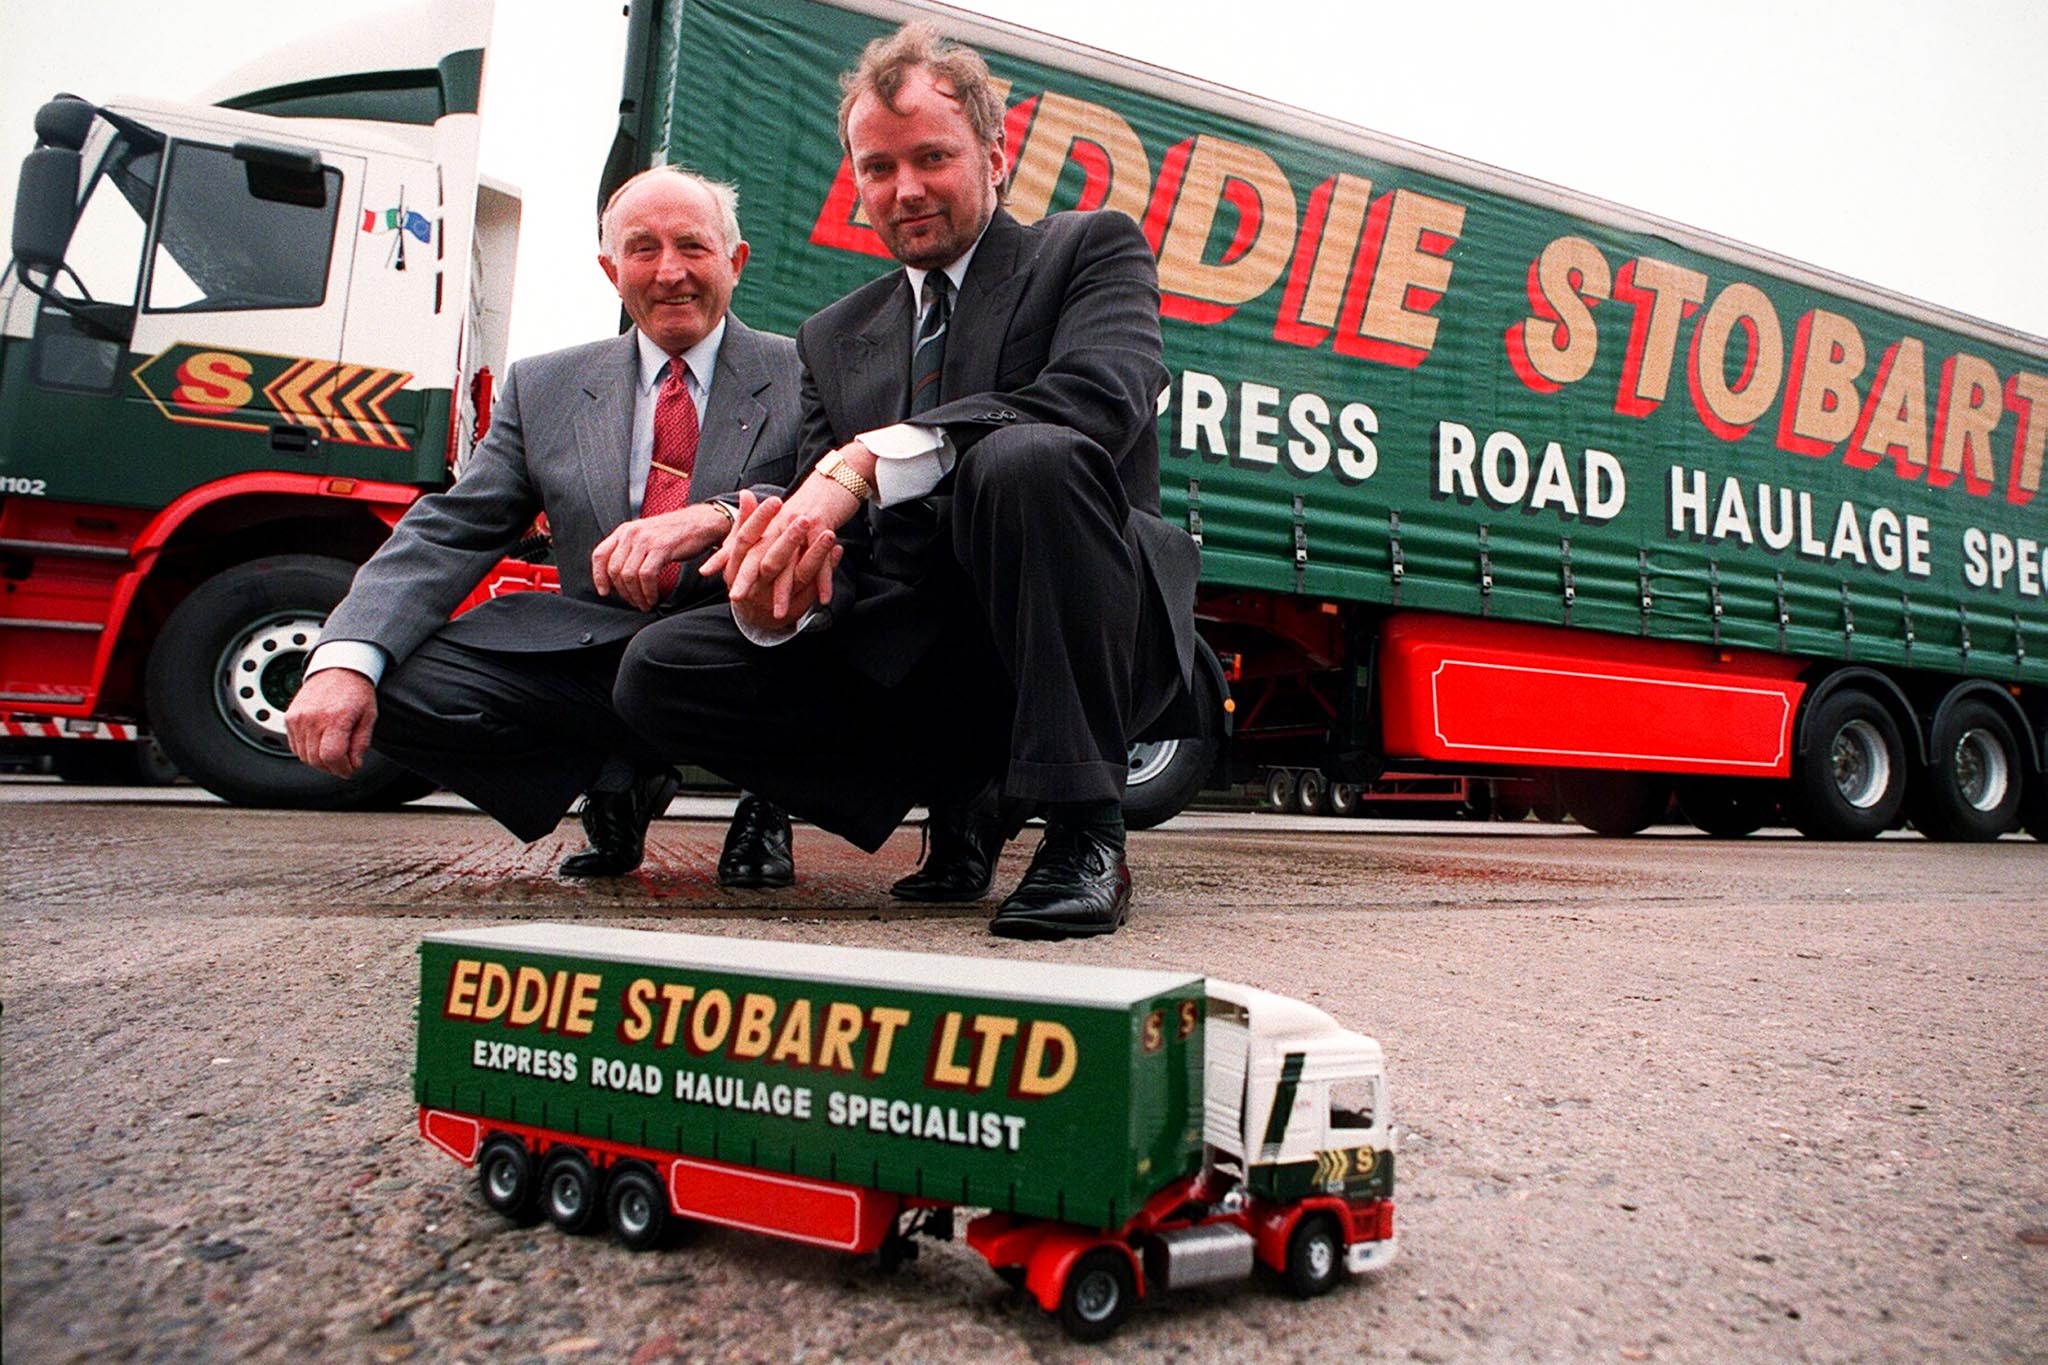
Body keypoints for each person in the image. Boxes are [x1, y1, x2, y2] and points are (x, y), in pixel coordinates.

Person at [614, 23, 1201, 937]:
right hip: (921, 656)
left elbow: (1099, 399)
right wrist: (791, 600)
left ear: (995, 156)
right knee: (659, 669)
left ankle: (1086, 826)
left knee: (1028, 457)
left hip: (1075, 630)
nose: (907, 189)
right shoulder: (833, 334)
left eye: (933, 156)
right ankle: (961, 792)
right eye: (879, 169)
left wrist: (871, 455)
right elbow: (841, 539)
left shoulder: (1088, 250)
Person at [285, 168, 802, 886]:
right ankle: (613, 776)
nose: (670, 271)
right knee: (392, 681)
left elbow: (830, 493)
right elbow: (450, 527)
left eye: (693, 246)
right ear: (609, 270)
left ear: (735, 261)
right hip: (602, 651)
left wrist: (715, 517)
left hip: (748, 652)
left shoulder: (804, 371)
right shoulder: (545, 386)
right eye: (642, 249)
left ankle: (767, 797)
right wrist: (344, 658)